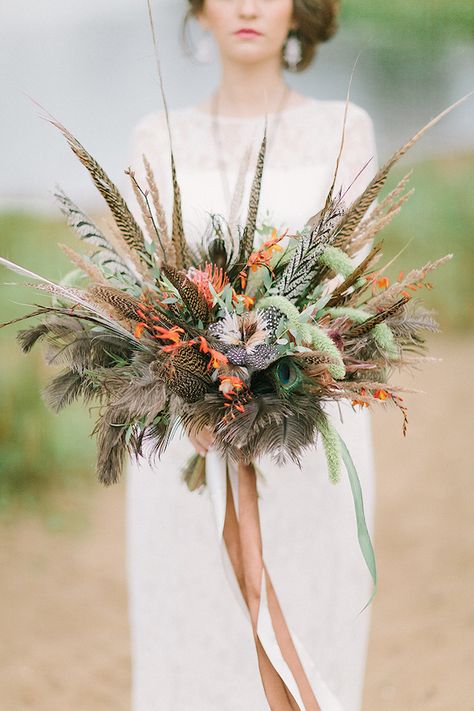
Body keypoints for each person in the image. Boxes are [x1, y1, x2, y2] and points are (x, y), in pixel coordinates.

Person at [125, 1, 378, 709]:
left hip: (310, 442)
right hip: (188, 446)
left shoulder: (343, 129)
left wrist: (279, 388)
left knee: (310, 641)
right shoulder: (156, 138)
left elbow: (352, 298)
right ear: (199, 11)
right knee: (193, 644)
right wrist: (195, 393)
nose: (246, 5)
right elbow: (139, 298)